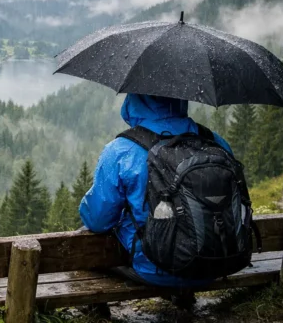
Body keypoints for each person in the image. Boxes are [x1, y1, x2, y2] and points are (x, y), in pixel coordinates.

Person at [79, 93, 234, 291]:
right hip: (215, 265)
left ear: (134, 99)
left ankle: (96, 311)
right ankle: (183, 296)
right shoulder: (215, 142)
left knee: (87, 236)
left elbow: (98, 221)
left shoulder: (121, 150)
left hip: (156, 269)